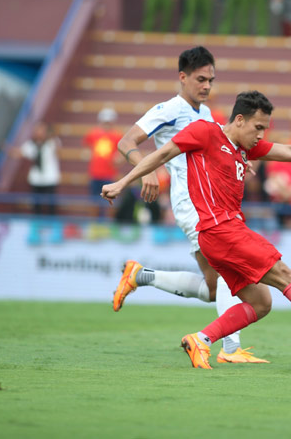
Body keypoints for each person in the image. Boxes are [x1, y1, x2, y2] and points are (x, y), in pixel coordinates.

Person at [101, 90, 291, 369]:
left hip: (217, 235)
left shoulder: (243, 148)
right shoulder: (205, 132)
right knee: (286, 277)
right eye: (258, 127)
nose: (261, 135)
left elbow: (290, 152)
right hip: (222, 230)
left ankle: (201, 340)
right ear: (239, 120)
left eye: (265, 128)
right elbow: (161, 155)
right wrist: (122, 182)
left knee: (261, 302)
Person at [112, 46, 267, 363]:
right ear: (182, 77)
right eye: (200, 79)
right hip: (192, 202)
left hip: (208, 201)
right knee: (230, 271)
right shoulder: (168, 109)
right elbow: (126, 141)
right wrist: (150, 170)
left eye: (211, 80)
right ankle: (230, 350)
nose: (207, 86)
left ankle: (140, 276)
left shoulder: (206, 115)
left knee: (213, 288)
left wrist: (239, 160)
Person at [12, 122, 61, 216]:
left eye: (41, 130)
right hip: (36, 179)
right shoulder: (31, 144)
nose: (39, 133)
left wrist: (52, 137)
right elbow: (19, 153)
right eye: (37, 130)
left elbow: (58, 152)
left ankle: (52, 224)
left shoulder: (52, 142)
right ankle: (36, 225)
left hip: (50, 178)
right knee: (36, 205)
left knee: (51, 205)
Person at [83, 108, 122, 213]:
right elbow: (87, 148)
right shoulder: (93, 134)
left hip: (109, 173)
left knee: (110, 201)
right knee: (94, 201)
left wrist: (118, 159)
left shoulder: (117, 136)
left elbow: (120, 154)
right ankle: (94, 225)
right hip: (95, 173)